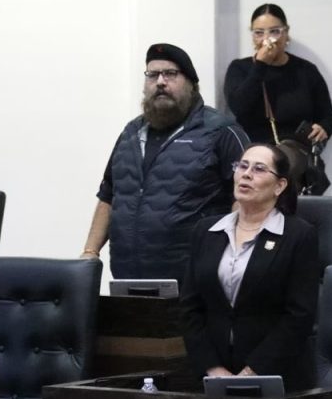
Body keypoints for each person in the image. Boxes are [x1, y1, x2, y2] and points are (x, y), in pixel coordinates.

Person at [81, 42, 249, 283]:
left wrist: (237, 256)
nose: (160, 82)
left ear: (192, 84)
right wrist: (90, 253)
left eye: (170, 74)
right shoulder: (130, 133)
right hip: (128, 279)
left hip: (197, 281)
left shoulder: (221, 131)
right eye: (152, 75)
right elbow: (108, 195)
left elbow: (246, 198)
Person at [180, 144, 318, 390]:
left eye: (259, 169)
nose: (246, 174)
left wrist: (250, 373)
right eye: (242, 166)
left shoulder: (298, 236)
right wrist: (213, 369)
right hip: (211, 377)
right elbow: (190, 307)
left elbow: (299, 316)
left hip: (276, 377)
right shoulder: (206, 231)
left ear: (280, 186)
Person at [224, 3, 332, 147]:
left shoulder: (306, 70)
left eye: (274, 31)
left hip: (298, 153)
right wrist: (261, 65)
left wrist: (324, 128)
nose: (267, 39)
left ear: (286, 33)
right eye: (259, 33)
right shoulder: (240, 68)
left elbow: (329, 116)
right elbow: (238, 107)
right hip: (255, 153)